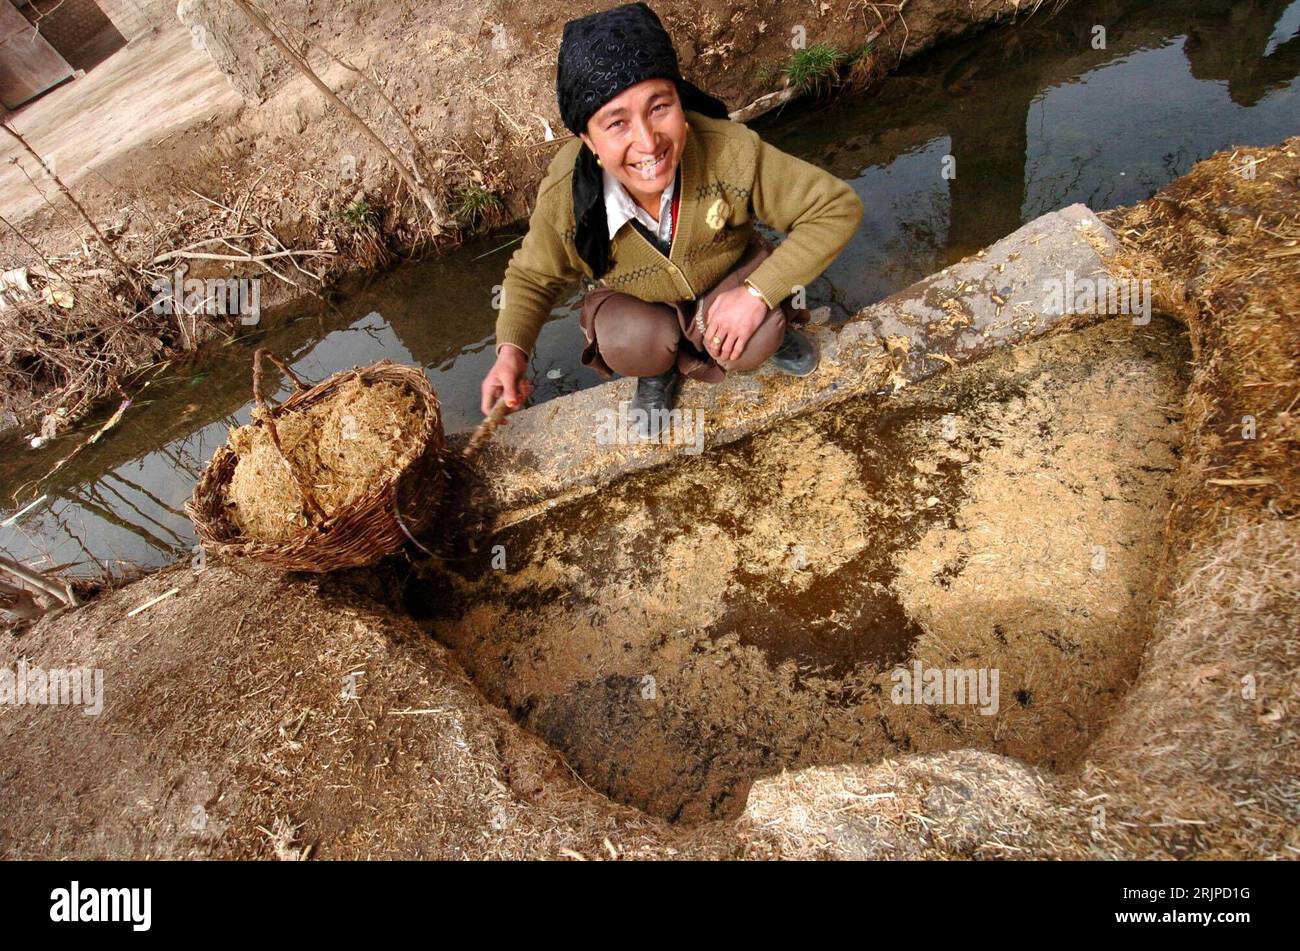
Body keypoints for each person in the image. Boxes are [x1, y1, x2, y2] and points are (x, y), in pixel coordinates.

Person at [481, 1, 863, 437]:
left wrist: (757, 294)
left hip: (727, 278)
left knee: (754, 338)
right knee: (632, 342)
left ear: (680, 102)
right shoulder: (565, 195)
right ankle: (658, 369)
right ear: (588, 139)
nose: (648, 143)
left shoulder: (729, 150)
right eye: (617, 123)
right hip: (641, 304)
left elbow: (835, 207)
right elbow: (532, 277)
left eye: (659, 107)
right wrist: (511, 353)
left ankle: (771, 325)